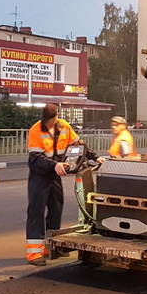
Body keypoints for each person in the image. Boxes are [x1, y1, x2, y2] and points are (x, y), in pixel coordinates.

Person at [25, 104, 97, 265]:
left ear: (56, 117)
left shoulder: (64, 126)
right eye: (47, 121)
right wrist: (54, 165)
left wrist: (95, 157)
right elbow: (35, 158)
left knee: (56, 209)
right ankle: (34, 254)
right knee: (36, 212)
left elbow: (79, 144)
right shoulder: (36, 130)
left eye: (51, 121)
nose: (49, 124)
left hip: (55, 174)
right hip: (39, 176)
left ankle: (51, 247)